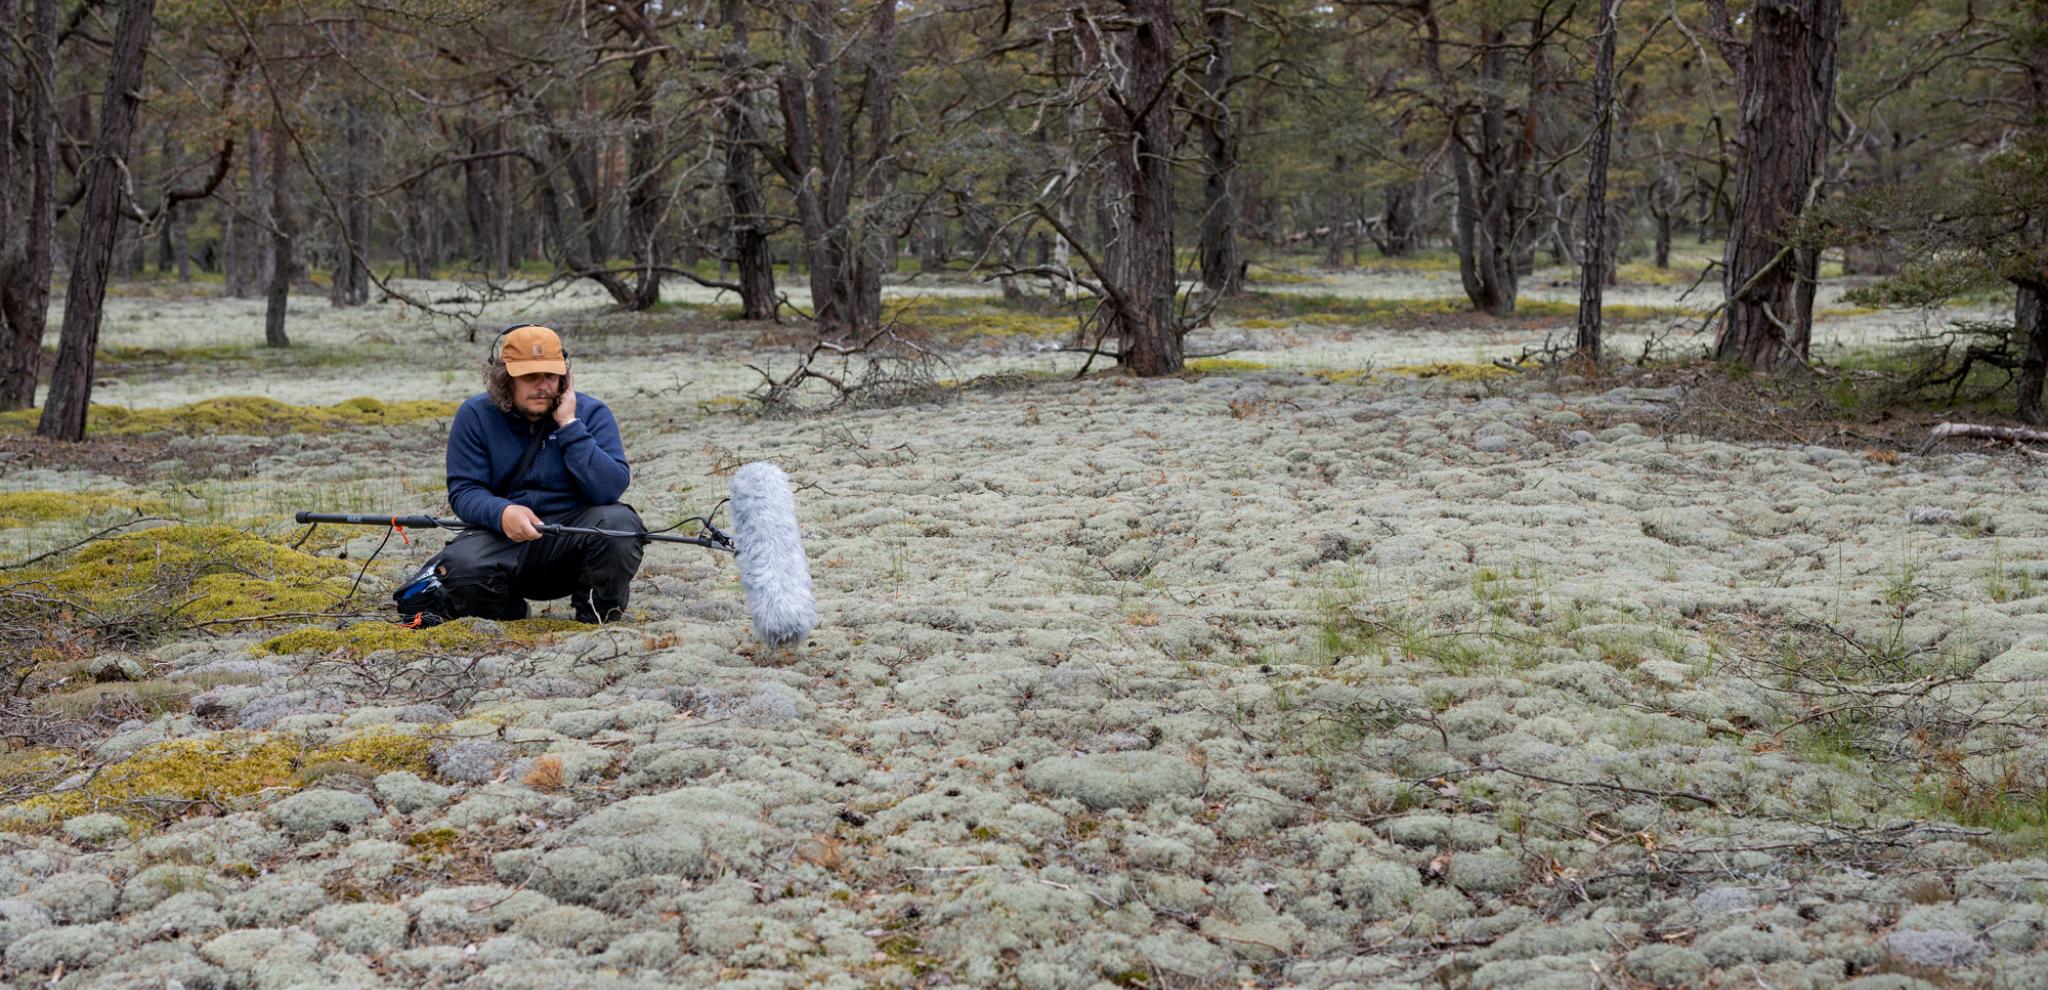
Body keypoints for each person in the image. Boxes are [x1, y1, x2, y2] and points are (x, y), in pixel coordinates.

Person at [423, 324, 645, 624]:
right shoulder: (475, 415)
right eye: (529, 376)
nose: (542, 386)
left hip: (574, 540)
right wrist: (502, 513)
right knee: (462, 564)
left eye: (551, 375)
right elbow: (464, 491)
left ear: (565, 377)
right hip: (503, 539)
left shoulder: (592, 414)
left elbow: (610, 488)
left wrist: (570, 426)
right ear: (505, 378)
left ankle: (595, 619)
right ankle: (509, 618)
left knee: (621, 527)